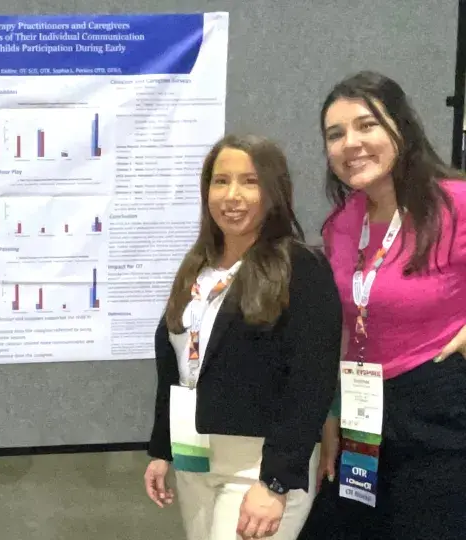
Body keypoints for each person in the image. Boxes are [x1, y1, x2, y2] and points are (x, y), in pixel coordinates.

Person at [144, 134, 342, 540]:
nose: (232, 196)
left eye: (249, 182)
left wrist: (276, 482)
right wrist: (162, 450)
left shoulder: (300, 266)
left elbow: (310, 380)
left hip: (258, 465)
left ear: (274, 191)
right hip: (193, 459)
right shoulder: (197, 267)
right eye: (221, 181)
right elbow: (177, 369)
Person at [297, 71, 466, 539]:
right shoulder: (341, 225)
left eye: (367, 125)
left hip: (438, 417)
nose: (351, 143)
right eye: (336, 134)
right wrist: (332, 415)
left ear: (401, 128)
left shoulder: (454, 204)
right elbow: (346, 329)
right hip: (361, 414)